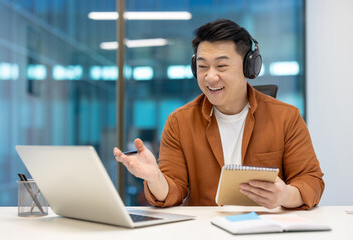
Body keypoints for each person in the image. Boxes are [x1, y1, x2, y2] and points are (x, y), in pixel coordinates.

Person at [114, 19, 324, 210]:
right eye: (202, 66)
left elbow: (311, 180)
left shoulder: (286, 117)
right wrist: (155, 178)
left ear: (249, 67)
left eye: (222, 66)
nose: (210, 77)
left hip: (267, 228)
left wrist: (286, 195)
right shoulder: (179, 122)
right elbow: (173, 192)